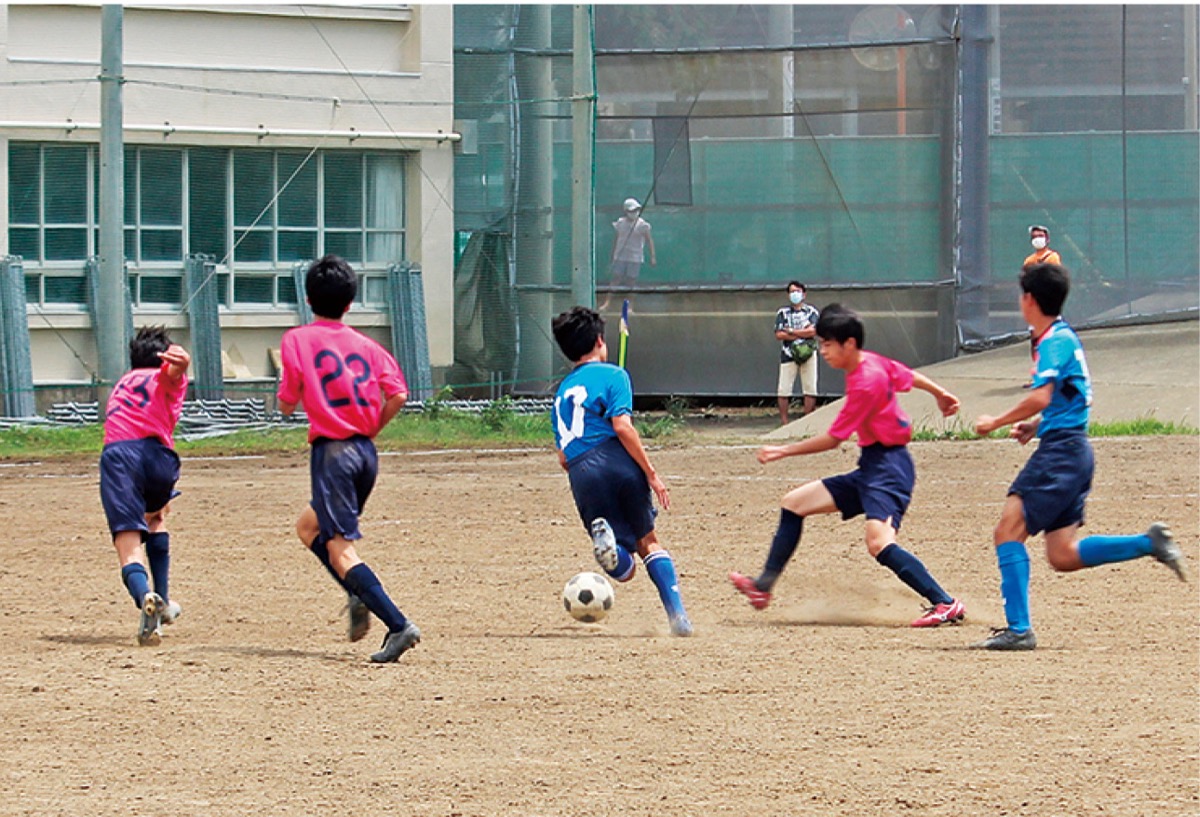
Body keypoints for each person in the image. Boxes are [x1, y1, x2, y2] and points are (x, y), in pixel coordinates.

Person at [971, 262, 1188, 651]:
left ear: (1029, 300)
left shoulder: (1053, 341)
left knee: (1008, 530)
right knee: (1063, 554)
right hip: (1073, 449)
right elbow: (1071, 399)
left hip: (1061, 454)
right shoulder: (1063, 336)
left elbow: (1041, 395)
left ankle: (1019, 630)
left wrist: (995, 421)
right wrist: (1038, 425)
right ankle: (1148, 543)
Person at [730, 304, 968, 629]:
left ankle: (945, 602)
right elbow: (907, 375)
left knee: (879, 543)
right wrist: (940, 393)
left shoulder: (865, 383)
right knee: (794, 503)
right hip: (872, 466)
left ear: (849, 344)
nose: (822, 351)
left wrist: (783, 450)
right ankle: (762, 588)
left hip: (889, 470)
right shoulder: (871, 363)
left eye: (828, 344)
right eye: (821, 343)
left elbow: (832, 440)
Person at [277, 254, 421, 663]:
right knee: (309, 527)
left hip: (333, 453)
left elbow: (288, 401)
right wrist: (372, 427)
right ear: (350, 303)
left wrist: (288, 401)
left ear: (307, 299)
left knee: (341, 549)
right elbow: (398, 394)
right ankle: (357, 592)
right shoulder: (367, 346)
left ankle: (398, 624)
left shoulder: (297, 339)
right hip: (364, 453)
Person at [551, 306, 692, 636]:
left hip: (581, 471)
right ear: (600, 340)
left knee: (624, 569)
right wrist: (652, 474)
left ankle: (613, 553)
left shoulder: (561, 393)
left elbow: (561, 456)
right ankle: (678, 617)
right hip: (616, 460)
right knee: (648, 542)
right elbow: (623, 427)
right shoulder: (615, 375)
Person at [99, 326, 190, 646]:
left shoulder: (122, 384)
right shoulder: (163, 378)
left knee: (128, 540)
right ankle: (162, 602)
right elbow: (173, 375)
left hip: (119, 456)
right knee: (156, 516)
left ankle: (146, 596)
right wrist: (180, 365)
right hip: (158, 457)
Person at [775, 281, 821, 424]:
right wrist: (802, 333)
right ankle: (784, 423)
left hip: (808, 353)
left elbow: (813, 331)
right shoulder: (782, 313)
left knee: (810, 387)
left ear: (804, 294)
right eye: (792, 292)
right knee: (784, 389)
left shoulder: (812, 312)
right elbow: (779, 334)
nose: (795, 294)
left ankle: (807, 422)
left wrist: (791, 331)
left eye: (798, 291)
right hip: (788, 353)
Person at [600, 198, 655, 310]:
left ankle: (629, 307)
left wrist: (653, 256)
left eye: (636, 210)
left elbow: (649, 241)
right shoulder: (620, 223)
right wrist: (613, 256)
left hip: (635, 257)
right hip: (620, 256)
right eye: (632, 210)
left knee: (631, 283)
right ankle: (607, 303)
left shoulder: (643, 225)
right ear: (626, 211)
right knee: (615, 280)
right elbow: (616, 240)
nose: (634, 212)